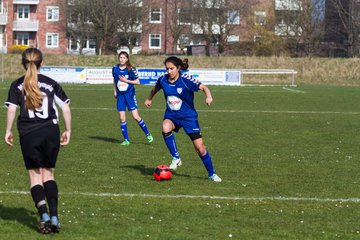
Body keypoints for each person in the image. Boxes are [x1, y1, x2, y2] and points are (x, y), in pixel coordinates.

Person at [4, 48, 71, 234]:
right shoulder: (51, 83)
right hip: (50, 131)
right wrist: (68, 130)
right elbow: (65, 107)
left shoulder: (17, 84)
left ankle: (44, 215)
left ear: (23, 63)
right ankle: (55, 216)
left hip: (29, 133)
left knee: (35, 177)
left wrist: (8, 131)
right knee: (49, 175)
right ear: (42, 62)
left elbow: (11, 110)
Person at [145, 56, 222, 182]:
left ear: (178, 68)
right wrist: (149, 98)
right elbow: (155, 88)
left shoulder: (186, 80)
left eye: (172, 68)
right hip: (172, 115)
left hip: (188, 117)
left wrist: (208, 96)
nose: (169, 71)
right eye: (167, 69)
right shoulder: (163, 79)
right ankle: (176, 158)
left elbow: (204, 87)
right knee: (165, 127)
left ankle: (212, 174)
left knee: (200, 148)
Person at [112, 51, 153, 145]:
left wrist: (126, 80)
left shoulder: (131, 69)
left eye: (124, 58)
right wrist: (114, 90)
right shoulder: (115, 68)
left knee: (136, 117)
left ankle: (148, 134)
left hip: (129, 95)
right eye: (120, 57)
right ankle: (126, 140)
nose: (122, 59)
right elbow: (114, 79)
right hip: (120, 96)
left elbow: (138, 82)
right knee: (122, 118)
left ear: (127, 59)